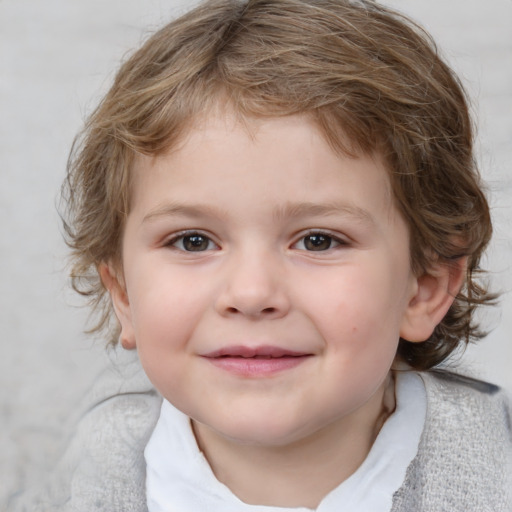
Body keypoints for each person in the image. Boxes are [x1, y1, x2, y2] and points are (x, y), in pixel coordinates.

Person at [14, 0, 512, 510]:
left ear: (424, 288)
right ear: (122, 293)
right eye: (193, 241)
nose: (251, 294)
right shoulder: (75, 485)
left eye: (318, 240)